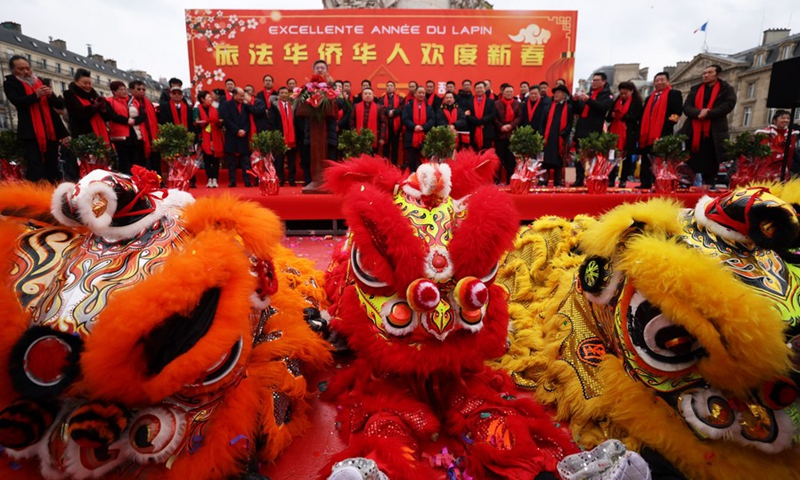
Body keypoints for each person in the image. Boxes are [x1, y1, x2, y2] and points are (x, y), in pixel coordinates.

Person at [3, 55, 69, 182]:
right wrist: (36, 95)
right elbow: (17, 101)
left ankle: (53, 188)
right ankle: (36, 192)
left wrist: (51, 95)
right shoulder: (10, 83)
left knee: (52, 161)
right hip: (31, 130)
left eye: (28, 68)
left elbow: (59, 105)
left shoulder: (41, 81)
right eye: (21, 69)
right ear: (13, 70)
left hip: (50, 129)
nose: (26, 72)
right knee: (35, 163)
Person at [680, 64, 737, 187]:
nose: (705, 75)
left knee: (711, 159)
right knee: (690, 159)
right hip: (694, 129)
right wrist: (698, 113)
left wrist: (709, 113)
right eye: (704, 73)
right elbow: (686, 107)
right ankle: (687, 185)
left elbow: (728, 105)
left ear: (718, 75)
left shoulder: (726, 89)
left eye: (709, 72)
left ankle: (708, 185)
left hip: (714, 130)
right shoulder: (695, 89)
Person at [638, 71, 683, 189]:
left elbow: (676, 113)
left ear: (668, 81)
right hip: (648, 133)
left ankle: (659, 182)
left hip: (663, 133)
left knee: (661, 160)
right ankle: (645, 183)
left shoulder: (674, 94)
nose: (659, 82)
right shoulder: (650, 98)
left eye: (662, 80)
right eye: (656, 81)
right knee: (646, 159)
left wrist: (665, 126)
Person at [572, 72, 614, 186]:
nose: (593, 82)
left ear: (603, 82)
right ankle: (579, 179)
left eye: (596, 80)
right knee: (579, 156)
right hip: (582, 128)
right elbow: (578, 110)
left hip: (594, 130)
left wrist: (588, 100)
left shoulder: (607, 95)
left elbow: (602, 108)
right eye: (593, 80)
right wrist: (575, 101)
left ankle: (592, 178)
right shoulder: (589, 93)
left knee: (593, 157)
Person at [606, 81, 643, 188]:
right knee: (611, 157)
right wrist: (613, 115)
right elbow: (608, 117)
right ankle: (611, 179)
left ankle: (623, 179)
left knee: (626, 157)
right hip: (614, 132)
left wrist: (622, 116)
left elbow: (637, 117)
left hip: (628, 133)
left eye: (625, 93)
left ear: (631, 91)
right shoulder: (617, 100)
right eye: (621, 93)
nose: (623, 96)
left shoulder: (637, 102)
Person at [106, 81, 145, 174]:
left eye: (125, 89)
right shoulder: (110, 101)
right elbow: (112, 115)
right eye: (121, 89)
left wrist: (134, 121)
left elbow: (143, 115)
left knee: (136, 160)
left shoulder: (134, 101)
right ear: (114, 92)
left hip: (135, 134)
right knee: (124, 161)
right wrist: (126, 120)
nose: (124, 91)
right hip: (120, 136)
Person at [63, 68, 110, 143]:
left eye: (90, 83)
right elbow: (77, 113)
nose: (88, 86)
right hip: (83, 134)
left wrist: (104, 108)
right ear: (76, 82)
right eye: (85, 83)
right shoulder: (69, 94)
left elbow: (107, 117)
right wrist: (94, 107)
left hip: (100, 131)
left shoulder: (94, 95)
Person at [219, 87, 254, 187]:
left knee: (245, 161)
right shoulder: (226, 105)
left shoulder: (245, 106)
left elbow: (248, 120)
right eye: (241, 96)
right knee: (231, 161)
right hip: (232, 135)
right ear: (234, 95)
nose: (242, 98)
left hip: (243, 135)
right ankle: (232, 181)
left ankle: (247, 181)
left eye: (243, 96)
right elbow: (226, 119)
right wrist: (237, 130)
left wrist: (244, 130)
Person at [268, 86, 301, 186]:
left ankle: (291, 179)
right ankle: (280, 179)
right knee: (279, 160)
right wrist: (276, 136)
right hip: (280, 137)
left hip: (292, 137)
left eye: (285, 93)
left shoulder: (293, 105)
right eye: (281, 93)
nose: (284, 94)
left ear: (288, 94)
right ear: (278, 95)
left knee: (291, 161)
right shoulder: (274, 106)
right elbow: (272, 122)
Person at [541, 85, 573, 186]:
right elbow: (542, 123)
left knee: (559, 159)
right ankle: (544, 179)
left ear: (564, 95)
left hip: (560, 137)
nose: (556, 95)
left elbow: (570, 123)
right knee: (546, 159)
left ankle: (558, 180)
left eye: (558, 93)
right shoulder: (548, 107)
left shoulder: (569, 108)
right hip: (548, 136)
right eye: (555, 93)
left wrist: (564, 133)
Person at [755, 110, 799, 179]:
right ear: (774, 120)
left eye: (788, 118)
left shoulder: (791, 134)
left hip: (784, 168)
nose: (786, 120)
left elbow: (791, 154)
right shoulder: (765, 133)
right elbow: (763, 153)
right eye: (783, 118)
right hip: (767, 168)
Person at [194, 90, 224, 188]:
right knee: (207, 160)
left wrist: (218, 122)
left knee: (216, 160)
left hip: (215, 136)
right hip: (204, 137)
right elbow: (195, 122)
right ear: (202, 99)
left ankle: (215, 179)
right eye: (208, 97)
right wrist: (206, 121)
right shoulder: (197, 109)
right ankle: (209, 179)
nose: (210, 99)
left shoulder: (215, 109)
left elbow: (220, 121)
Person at [402, 86, 435, 172]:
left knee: (424, 160)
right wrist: (414, 126)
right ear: (415, 94)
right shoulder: (409, 105)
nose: (421, 94)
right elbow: (405, 119)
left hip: (425, 136)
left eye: (423, 93)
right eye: (419, 92)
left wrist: (423, 127)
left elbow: (432, 120)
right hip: (411, 135)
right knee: (412, 160)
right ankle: (412, 177)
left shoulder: (429, 107)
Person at [128, 80, 158, 172]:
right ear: (131, 90)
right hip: (137, 138)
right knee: (139, 163)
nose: (142, 91)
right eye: (139, 89)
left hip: (151, 136)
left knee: (155, 162)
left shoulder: (149, 103)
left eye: (143, 89)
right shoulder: (129, 103)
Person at [494, 85, 521, 183]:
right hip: (499, 135)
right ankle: (497, 180)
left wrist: (511, 125)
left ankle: (510, 180)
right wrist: (501, 126)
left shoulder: (517, 104)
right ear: (503, 92)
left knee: (511, 160)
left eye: (511, 91)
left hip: (512, 136)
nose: (509, 93)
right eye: (507, 91)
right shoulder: (496, 104)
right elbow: (494, 118)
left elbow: (519, 117)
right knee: (498, 160)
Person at [351, 87, 386, 155]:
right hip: (359, 137)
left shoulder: (379, 108)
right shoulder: (356, 106)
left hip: (374, 137)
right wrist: (354, 133)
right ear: (362, 96)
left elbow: (383, 123)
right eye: (365, 93)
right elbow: (352, 120)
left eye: (369, 94)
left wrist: (382, 138)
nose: (367, 95)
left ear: (373, 96)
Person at [465, 81, 496, 151]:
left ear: (485, 89)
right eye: (477, 88)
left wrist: (481, 121)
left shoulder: (491, 102)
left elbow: (493, 115)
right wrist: (477, 121)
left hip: (486, 131)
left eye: (481, 88)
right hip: (473, 130)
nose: (479, 90)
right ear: (475, 90)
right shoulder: (469, 101)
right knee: (473, 152)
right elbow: (467, 115)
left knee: (486, 153)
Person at [381, 80, 404, 165]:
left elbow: (402, 107)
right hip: (385, 127)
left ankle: (394, 164)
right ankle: (385, 165)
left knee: (395, 147)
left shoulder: (400, 98)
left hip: (395, 127)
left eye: (391, 86)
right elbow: (380, 107)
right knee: (385, 148)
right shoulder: (382, 98)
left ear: (394, 88)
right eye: (388, 86)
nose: (389, 87)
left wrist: (393, 112)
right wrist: (388, 112)